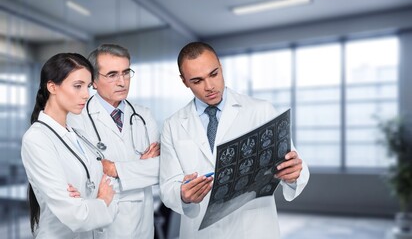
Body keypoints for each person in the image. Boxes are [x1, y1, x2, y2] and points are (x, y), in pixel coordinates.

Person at [159, 42, 310, 239]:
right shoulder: (173, 124)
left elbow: (296, 165)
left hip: (253, 229)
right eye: (197, 81)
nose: (209, 86)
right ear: (184, 81)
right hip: (200, 232)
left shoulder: (261, 111)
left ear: (220, 67)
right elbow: (168, 186)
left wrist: (293, 174)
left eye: (214, 74)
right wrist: (183, 195)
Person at [67, 44, 160, 238]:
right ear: (93, 80)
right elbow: (89, 179)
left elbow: (160, 169)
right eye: (112, 75)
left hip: (143, 226)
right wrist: (140, 170)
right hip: (105, 226)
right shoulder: (76, 119)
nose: (122, 82)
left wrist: (116, 170)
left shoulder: (144, 116)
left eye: (126, 73)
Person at [21, 53, 117, 238]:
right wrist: (102, 200)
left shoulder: (79, 136)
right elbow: (74, 215)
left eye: (88, 86)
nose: (86, 94)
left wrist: (86, 200)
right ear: (52, 87)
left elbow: (113, 191)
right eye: (78, 86)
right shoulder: (37, 139)